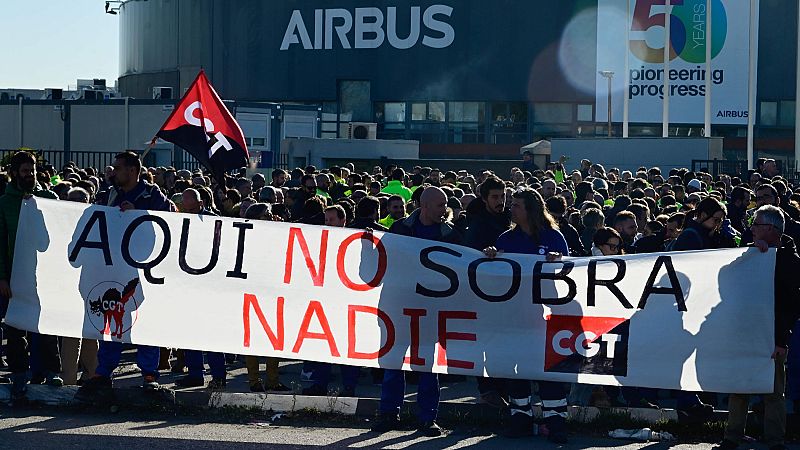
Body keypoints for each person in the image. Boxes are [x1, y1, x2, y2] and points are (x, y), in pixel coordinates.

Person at [76, 152, 173, 400]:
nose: (113, 172)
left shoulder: (152, 194)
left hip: (143, 271)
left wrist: (138, 212)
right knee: (111, 321)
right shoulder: (110, 193)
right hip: (114, 270)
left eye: (118, 168)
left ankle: (149, 375)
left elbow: (169, 221)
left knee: (145, 322)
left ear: (132, 170)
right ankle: (103, 373)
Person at [371, 187, 461, 437]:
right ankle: (389, 413)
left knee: (427, 364)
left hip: (430, 309)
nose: (445, 209)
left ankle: (427, 417)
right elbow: (383, 260)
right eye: (441, 205)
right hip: (398, 306)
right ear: (425, 206)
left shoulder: (449, 234)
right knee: (393, 362)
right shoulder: (400, 229)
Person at [482, 188, 570, 443]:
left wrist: (560, 260)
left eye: (517, 205)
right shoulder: (506, 240)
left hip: (547, 317)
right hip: (515, 316)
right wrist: (490, 257)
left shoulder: (554, 237)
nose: (512, 209)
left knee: (549, 371)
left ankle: (556, 422)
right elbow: (495, 276)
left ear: (531, 209)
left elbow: (572, 270)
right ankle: (520, 418)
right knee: (516, 370)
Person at [720, 205, 800, 450]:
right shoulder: (749, 253)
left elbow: (791, 305)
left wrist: (781, 340)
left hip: (772, 336)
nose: (751, 229)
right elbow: (724, 277)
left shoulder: (790, 261)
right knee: (739, 387)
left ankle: (775, 439)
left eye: (756, 225)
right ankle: (732, 435)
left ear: (771, 229)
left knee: (774, 391)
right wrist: (751, 256)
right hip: (745, 332)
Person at [0, 151, 61, 403]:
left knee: (46, 324)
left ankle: (51, 371)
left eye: (32, 171)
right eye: (25, 171)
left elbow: (56, 238)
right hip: (13, 275)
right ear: (15, 173)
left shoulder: (49, 199)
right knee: (15, 326)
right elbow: (0, 243)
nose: (30, 175)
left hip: (41, 274)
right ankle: (19, 374)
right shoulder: (4, 203)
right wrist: (2, 277)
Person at [462, 176, 512, 407]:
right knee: (486, 342)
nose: (500, 201)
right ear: (484, 199)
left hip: (509, 292)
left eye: (503, 196)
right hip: (484, 293)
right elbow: (470, 253)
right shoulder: (476, 224)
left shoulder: (510, 219)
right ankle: (487, 388)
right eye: (495, 197)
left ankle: (503, 388)